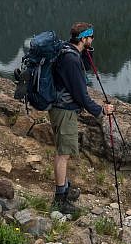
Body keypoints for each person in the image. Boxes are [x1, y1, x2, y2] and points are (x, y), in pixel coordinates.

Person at [49, 21, 114, 214]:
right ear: (83, 38)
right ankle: (60, 200)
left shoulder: (69, 50)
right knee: (63, 154)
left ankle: (65, 189)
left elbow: (85, 65)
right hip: (64, 110)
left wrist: (88, 49)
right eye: (90, 37)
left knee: (64, 151)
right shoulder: (71, 59)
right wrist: (101, 110)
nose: (93, 39)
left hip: (61, 107)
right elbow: (80, 94)